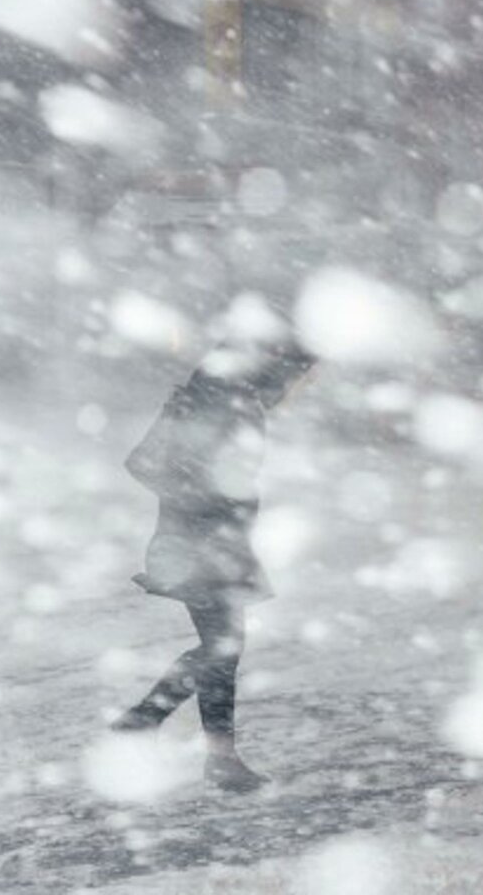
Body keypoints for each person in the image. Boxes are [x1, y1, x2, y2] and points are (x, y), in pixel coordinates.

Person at [111, 334, 315, 793]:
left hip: (210, 543)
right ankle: (176, 739)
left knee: (222, 648)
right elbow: (144, 464)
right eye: (296, 376)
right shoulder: (220, 403)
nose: (295, 387)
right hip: (200, 547)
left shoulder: (224, 398)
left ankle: (155, 728)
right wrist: (206, 501)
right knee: (223, 647)